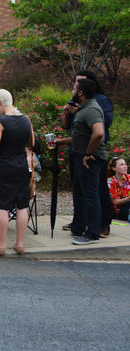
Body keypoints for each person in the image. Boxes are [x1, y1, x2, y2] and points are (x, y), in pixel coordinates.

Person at [60, 70, 113, 236]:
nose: (72, 90)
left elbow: (98, 132)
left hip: (90, 156)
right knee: (80, 193)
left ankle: (96, 229)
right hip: (77, 152)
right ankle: (79, 225)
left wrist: (89, 153)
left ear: (83, 90)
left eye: (76, 87)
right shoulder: (82, 107)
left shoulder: (94, 107)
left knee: (93, 193)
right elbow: (72, 130)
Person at [0, 89, 35, 256]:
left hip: (4, 165)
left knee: (3, 206)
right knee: (22, 205)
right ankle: (20, 244)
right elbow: (32, 141)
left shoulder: (2, 122)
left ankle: (1, 245)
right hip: (22, 164)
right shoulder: (26, 119)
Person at [108, 157, 130, 222]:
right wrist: (128, 199)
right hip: (117, 211)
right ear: (113, 168)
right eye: (121, 164)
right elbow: (115, 202)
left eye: (125, 164)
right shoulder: (110, 181)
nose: (125, 166)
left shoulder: (128, 178)